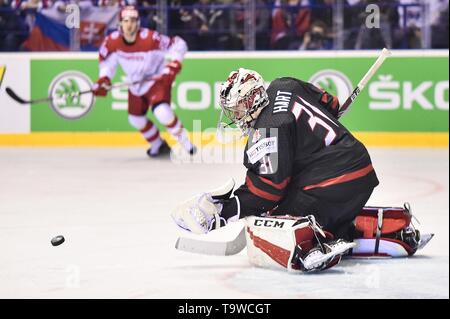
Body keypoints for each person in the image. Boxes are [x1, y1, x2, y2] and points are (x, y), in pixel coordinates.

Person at [172, 68, 380, 271]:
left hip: (333, 183)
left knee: (274, 218)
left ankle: (314, 246)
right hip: (360, 170)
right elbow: (331, 103)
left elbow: (266, 192)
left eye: (237, 109)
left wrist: (225, 212)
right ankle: (379, 230)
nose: (235, 116)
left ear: (252, 101)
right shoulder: (285, 84)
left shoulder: (267, 129)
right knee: (298, 194)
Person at [93, 5, 196, 157]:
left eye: (133, 20)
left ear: (138, 23)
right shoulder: (112, 42)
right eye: (126, 21)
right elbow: (107, 63)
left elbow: (179, 44)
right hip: (135, 84)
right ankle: (159, 145)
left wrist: (173, 66)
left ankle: (187, 143)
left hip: (156, 80)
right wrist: (104, 79)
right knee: (135, 119)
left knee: (163, 113)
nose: (129, 25)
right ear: (120, 23)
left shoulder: (150, 38)